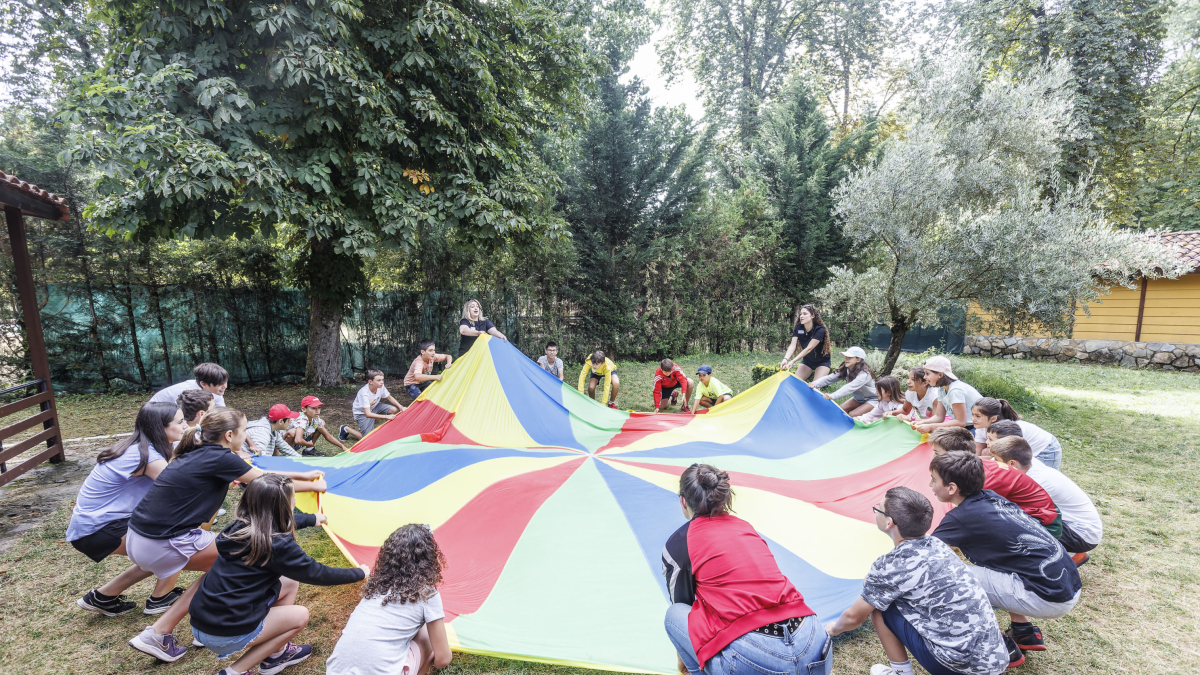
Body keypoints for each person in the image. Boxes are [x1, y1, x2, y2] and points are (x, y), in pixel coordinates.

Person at [125, 408, 327, 662]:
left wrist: (301, 474)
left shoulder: (199, 450)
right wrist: (313, 484)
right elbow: (263, 480)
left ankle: (167, 630)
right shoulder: (220, 458)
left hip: (139, 536)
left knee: (218, 571)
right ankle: (266, 647)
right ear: (230, 435)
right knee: (229, 564)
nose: (246, 436)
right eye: (244, 432)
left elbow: (255, 472)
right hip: (163, 541)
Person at [189, 474, 368, 675]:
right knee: (300, 616)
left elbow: (274, 521)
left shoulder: (239, 527)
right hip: (224, 632)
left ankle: (276, 654)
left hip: (201, 623)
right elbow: (317, 573)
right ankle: (234, 671)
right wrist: (358, 573)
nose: (294, 502)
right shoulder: (277, 545)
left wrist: (312, 519)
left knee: (289, 582)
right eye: (292, 499)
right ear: (284, 506)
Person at [661, 464, 830, 675]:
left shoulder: (680, 542)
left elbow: (682, 604)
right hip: (816, 645)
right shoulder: (745, 527)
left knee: (674, 614)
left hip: (756, 659)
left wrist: (685, 665)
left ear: (683, 501)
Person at [825, 487, 1014, 675]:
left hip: (959, 668)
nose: (876, 511)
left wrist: (833, 629)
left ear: (889, 522)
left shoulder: (891, 565)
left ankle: (901, 672)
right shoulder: (938, 544)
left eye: (879, 508)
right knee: (879, 593)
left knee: (879, 605)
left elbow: (854, 617)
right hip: (994, 659)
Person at [929, 452, 1082, 655]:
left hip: (1048, 596)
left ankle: (997, 645)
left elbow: (922, 555)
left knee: (946, 575)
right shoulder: (991, 497)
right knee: (993, 566)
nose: (930, 485)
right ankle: (1023, 631)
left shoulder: (960, 517)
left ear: (952, 488)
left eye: (933, 480)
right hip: (1067, 584)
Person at [71, 402, 189, 617]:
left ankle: (103, 596)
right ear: (161, 427)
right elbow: (184, 489)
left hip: (90, 526)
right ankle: (160, 600)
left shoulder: (143, 446)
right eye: (180, 422)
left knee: (155, 549)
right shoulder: (148, 456)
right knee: (179, 542)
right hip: (98, 529)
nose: (186, 426)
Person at [327, 524, 454, 675]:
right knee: (426, 634)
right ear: (428, 558)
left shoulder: (376, 586)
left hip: (335, 671)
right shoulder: (426, 593)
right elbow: (443, 659)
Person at [928, 428, 1061, 538]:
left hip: (1044, 524)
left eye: (937, 453)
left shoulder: (982, 478)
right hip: (1030, 515)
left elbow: (963, 517)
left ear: (953, 456)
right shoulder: (973, 466)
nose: (933, 458)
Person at [988, 435, 1102, 566]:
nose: (992, 463)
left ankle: (1067, 557)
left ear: (1012, 463)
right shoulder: (1028, 464)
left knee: (1009, 522)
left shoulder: (1035, 481)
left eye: (996, 460)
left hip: (1080, 535)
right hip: (1075, 526)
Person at [970, 398, 1063, 469]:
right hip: (1023, 449)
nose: (973, 419)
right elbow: (977, 454)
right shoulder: (981, 427)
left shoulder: (1007, 430)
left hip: (1045, 449)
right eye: (972, 414)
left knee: (1035, 479)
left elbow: (1004, 460)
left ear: (993, 418)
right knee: (986, 452)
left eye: (978, 416)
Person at [914, 356, 981, 434]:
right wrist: (921, 423)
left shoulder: (955, 391)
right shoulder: (942, 389)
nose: (925, 377)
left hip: (977, 428)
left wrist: (931, 426)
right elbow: (939, 417)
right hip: (964, 428)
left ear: (940, 375)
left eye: (927, 373)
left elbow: (961, 422)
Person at [809, 347, 877, 417]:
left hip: (872, 399)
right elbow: (829, 378)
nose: (846, 359)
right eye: (846, 357)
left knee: (852, 415)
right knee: (839, 411)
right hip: (858, 399)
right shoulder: (846, 369)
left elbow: (850, 387)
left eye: (849, 357)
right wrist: (815, 384)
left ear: (858, 359)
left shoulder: (864, 374)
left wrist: (833, 395)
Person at [341, 369, 406, 443]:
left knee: (394, 410)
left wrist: (401, 407)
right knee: (368, 439)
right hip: (362, 413)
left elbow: (389, 397)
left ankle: (390, 431)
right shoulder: (364, 393)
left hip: (374, 406)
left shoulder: (380, 386)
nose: (381, 382)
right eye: (378, 380)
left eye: (382, 380)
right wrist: (386, 417)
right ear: (370, 382)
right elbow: (368, 414)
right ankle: (346, 429)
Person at [780, 304, 832, 382]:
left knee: (815, 387)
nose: (801, 316)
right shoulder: (798, 328)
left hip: (822, 362)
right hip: (808, 361)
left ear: (812, 316)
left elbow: (809, 348)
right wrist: (785, 359)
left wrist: (793, 361)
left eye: (805, 314)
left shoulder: (820, 330)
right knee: (794, 384)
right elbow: (792, 345)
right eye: (800, 314)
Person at [150, 363, 229, 408]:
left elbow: (222, 413)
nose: (225, 386)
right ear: (203, 384)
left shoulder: (216, 392)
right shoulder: (186, 394)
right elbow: (183, 422)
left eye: (225, 382)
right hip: (155, 416)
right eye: (220, 384)